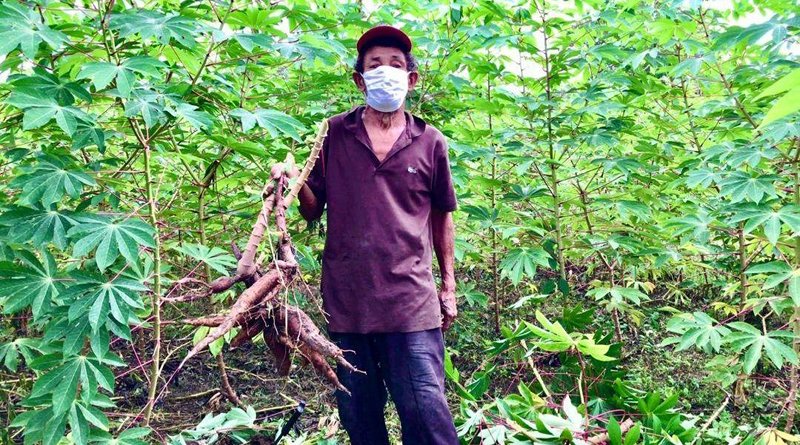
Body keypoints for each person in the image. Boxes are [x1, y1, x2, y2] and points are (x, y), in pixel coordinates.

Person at [290, 24, 460, 445]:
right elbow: (312, 208)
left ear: (411, 79)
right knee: (360, 415)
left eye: (396, 65)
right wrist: (291, 179)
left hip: (410, 301)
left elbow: (442, 215)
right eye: (375, 65)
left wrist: (449, 286)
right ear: (359, 79)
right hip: (348, 300)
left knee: (426, 411)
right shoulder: (333, 134)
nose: (387, 72)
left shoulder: (430, 141)